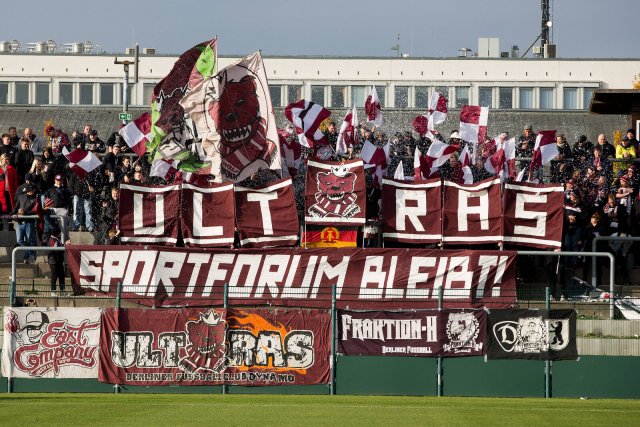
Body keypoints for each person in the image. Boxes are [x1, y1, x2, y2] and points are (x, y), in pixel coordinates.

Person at [11, 183, 39, 263]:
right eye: (30, 190)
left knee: (29, 240)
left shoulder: (35, 199)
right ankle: (30, 252)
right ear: (26, 191)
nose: (32, 192)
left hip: (29, 223)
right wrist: (12, 214)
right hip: (20, 223)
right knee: (19, 240)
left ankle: (26, 258)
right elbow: (16, 207)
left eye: (32, 190)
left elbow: (35, 211)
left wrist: (24, 212)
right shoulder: (21, 197)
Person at [47, 226, 66, 296]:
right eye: (59, 233)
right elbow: (56, 249)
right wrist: (63, 247)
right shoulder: (52, 240)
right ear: (56, 233)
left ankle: (63, 291)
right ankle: (53, 291)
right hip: (54, 261)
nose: (60, 234)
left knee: (62, 275)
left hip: (59, 261)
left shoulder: (56, 239)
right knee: (54, 276)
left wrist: (64, 245)